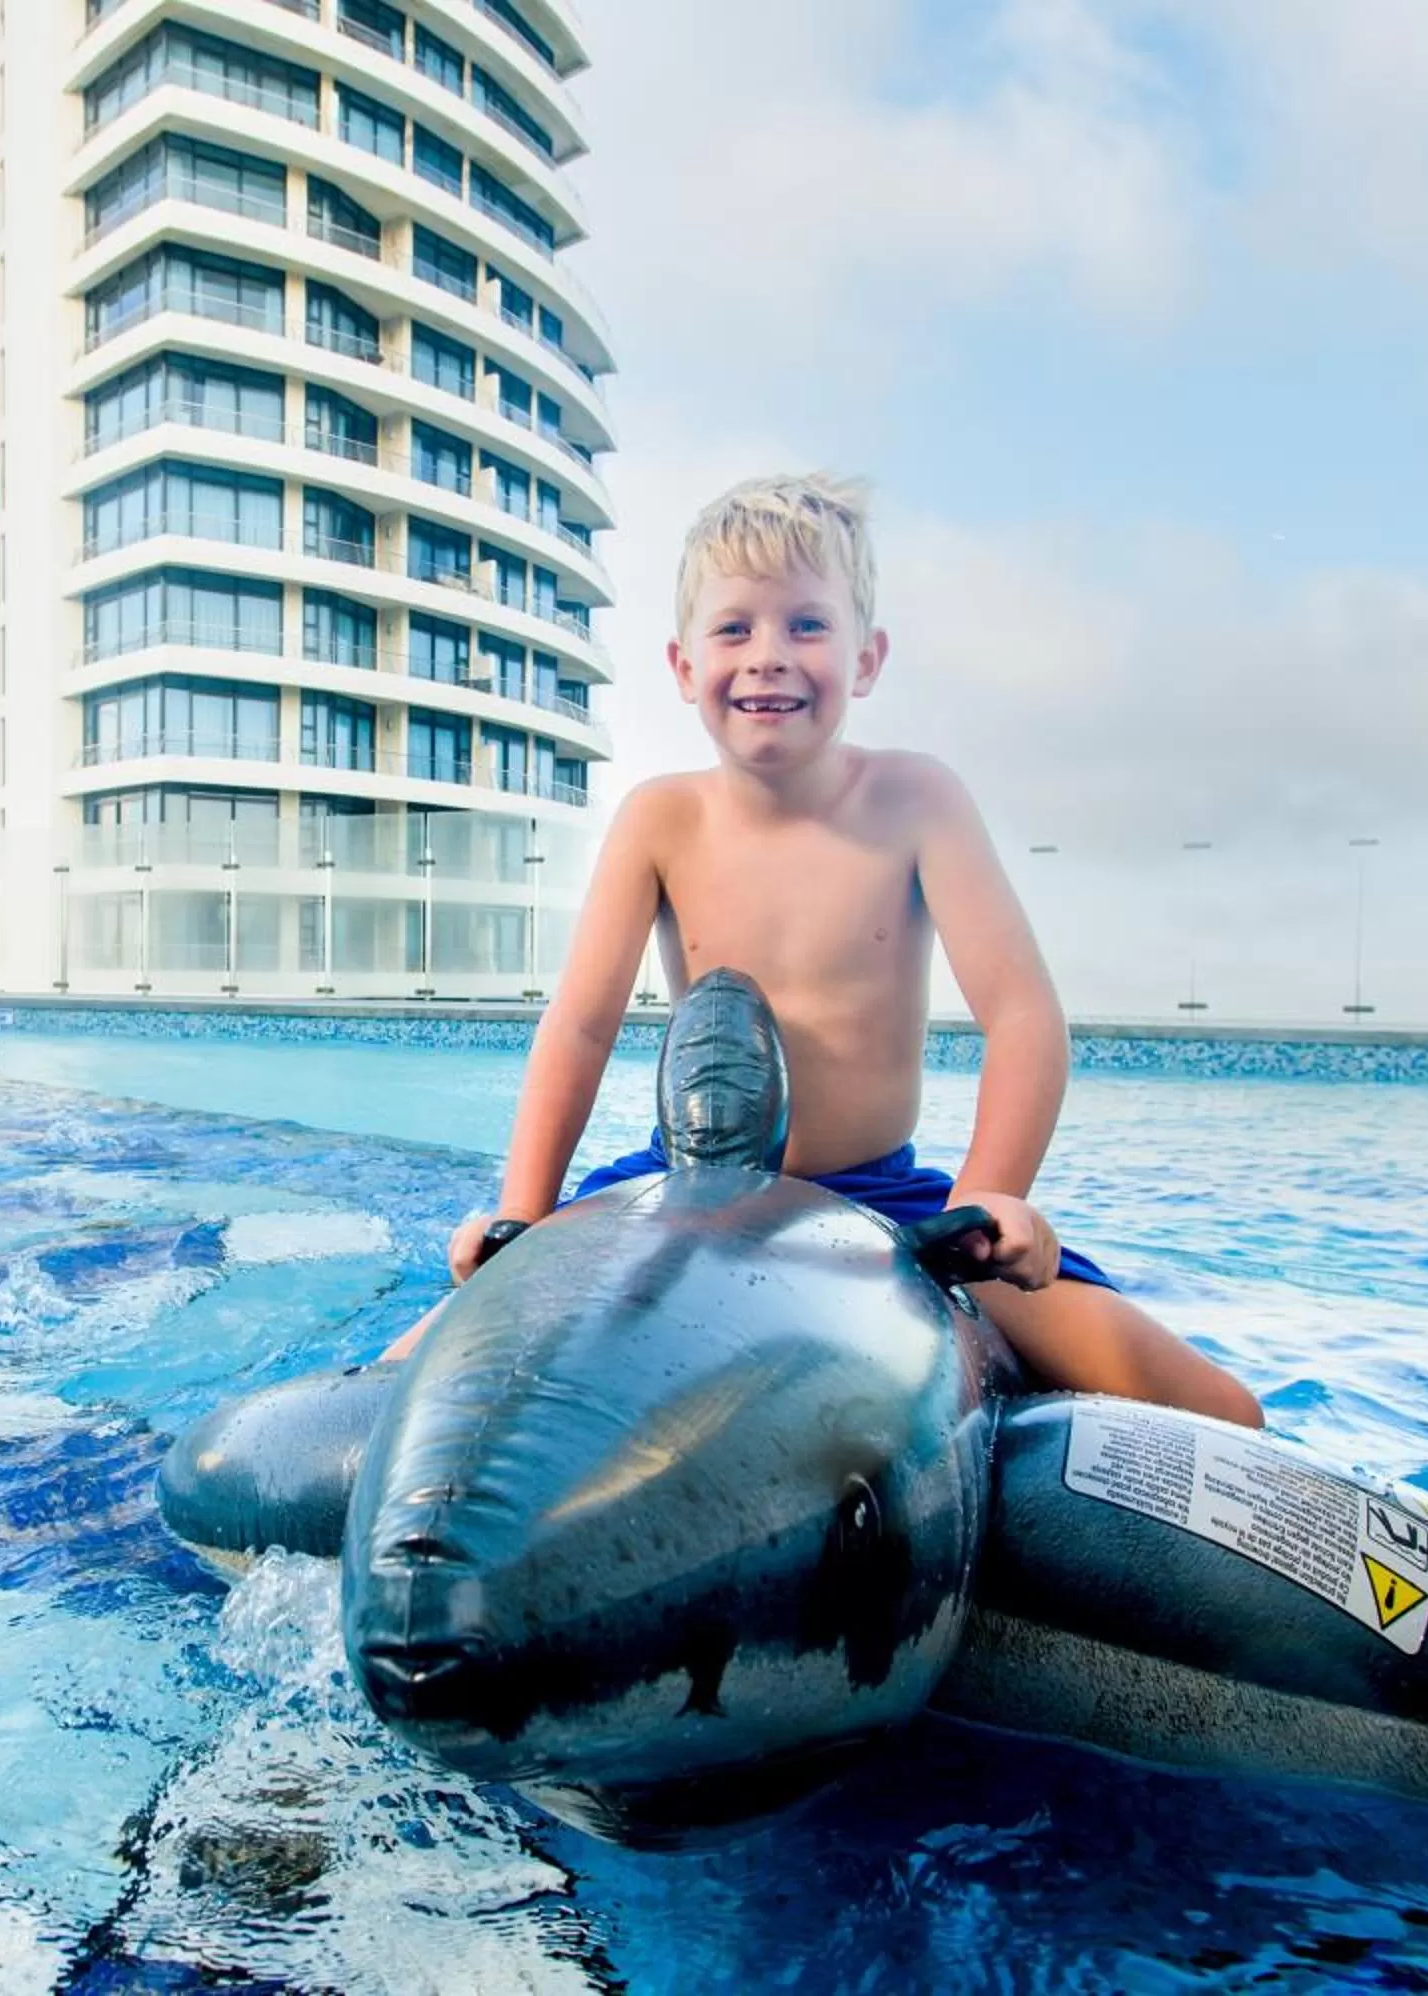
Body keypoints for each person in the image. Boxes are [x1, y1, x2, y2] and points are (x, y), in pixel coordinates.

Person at [390, 472, 1262, 1427]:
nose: (769, 657)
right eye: (735, 630)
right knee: (399, 1382)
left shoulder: (917, 801)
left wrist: (988, 1202)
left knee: (1217, 1411)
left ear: (868, 658)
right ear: (683, 667)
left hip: (880, 1198)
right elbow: (583, 1026)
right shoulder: (659, 820)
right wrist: (522, 1218)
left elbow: (1020, 1016)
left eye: (807, 626)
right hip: (679, 1192)